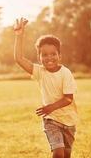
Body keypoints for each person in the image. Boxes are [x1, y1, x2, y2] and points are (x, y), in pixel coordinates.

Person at [13, 17, 78, 158]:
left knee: (66, 155)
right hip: (51, 120)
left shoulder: (65, 73)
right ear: (39, 57)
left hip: (69, 121)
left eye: (53, 54)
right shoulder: (39, 72)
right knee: (58, 153)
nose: (49, 58)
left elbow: (68, 99)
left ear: (59, 55)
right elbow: (19, 59)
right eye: (45, 55)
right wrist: (19, 36)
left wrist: (50, 107)